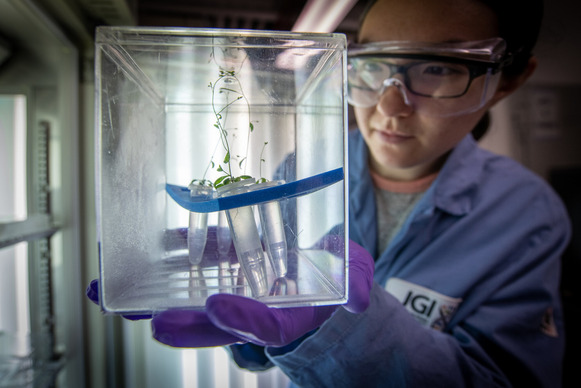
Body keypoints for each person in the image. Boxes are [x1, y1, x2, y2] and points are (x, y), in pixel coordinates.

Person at [89, 0, 571, 386]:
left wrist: (335, 329)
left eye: (438, 68)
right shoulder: (299, 169)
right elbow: (267, 347)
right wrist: (252, 327)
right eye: (372, 63)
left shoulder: (528, 214)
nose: (389, 105)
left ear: (508, 80)